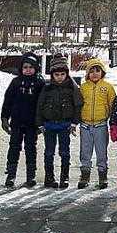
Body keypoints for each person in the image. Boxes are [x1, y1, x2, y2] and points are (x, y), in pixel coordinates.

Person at [36, 55, 83, 189]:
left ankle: (64, 176)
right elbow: (40, 105)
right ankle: (49, 176)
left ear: (67, 74)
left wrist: (74, 122)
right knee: (49, 152)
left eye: (63, 74)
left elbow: (78, 105)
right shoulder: (47, 87)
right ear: (52, 75)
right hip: (49, 125)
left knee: (64, 152)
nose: (60, 77)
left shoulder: (72, 87)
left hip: (64, 125)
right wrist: (40, 123)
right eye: (57, 74)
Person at [1, 52, 45, 188]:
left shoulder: (39, 82)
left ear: (36, 68)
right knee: (14, 147)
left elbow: (43, 103)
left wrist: (42, 123)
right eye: (25, 67)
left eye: (31, 67)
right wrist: (4, 118)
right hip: (17, 122)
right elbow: (8, 101)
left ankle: (30, 175)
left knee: (31, 148)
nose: (28, 70)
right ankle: (11, 174)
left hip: (33, 123)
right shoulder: (16, 82)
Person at [78, 58, 116, 190]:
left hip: (100, 125)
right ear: (87, 73)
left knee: (101, 151)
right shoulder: (83, 87)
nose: (94, 73)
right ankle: (85, 175)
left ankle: (102, 175)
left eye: (97, 70)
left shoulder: (107, 87)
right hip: (85, 125)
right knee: (85, 151)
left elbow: (113, 105)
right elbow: (78, 104)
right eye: (92, 71)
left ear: (102, 72)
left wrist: (113, 122)